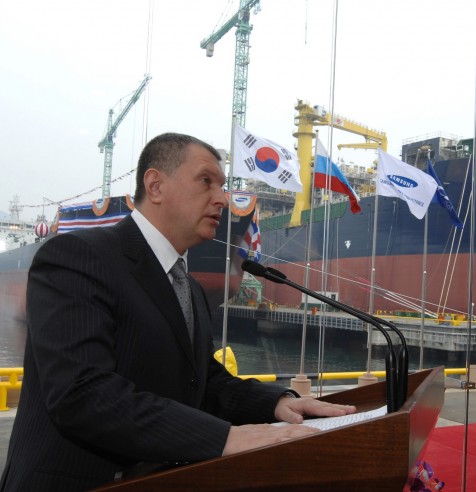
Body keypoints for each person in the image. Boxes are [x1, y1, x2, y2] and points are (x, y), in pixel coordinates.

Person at [0, 133, 355, 491]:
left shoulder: (190, 288)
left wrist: (278, 403)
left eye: (222, 185)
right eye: (206, 181)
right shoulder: (77, 256)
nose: (223, 198)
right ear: (155, 185)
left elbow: (202, 381)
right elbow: (82, 394)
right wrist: (224, 438)